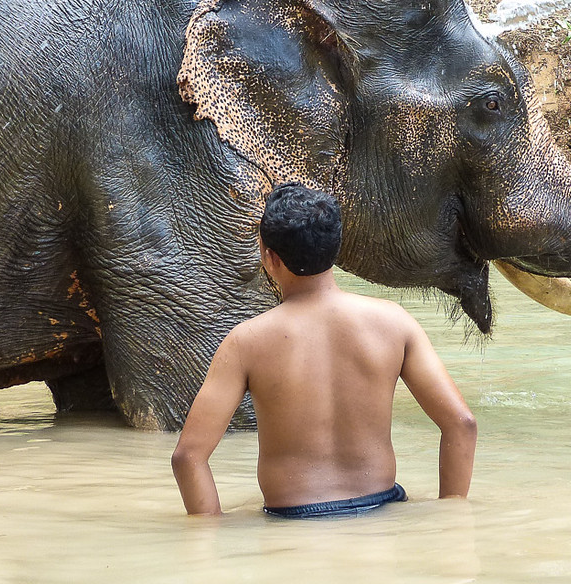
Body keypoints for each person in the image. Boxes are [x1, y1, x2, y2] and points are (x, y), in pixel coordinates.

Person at [171, 182, 477, 517]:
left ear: (269, 257)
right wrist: (453, 519)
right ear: (335, 249)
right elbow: (462, 424)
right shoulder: (395, 322)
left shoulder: (245, 342)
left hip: (293, 522)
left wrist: (207, 545)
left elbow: (189, 457)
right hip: (382, 513)